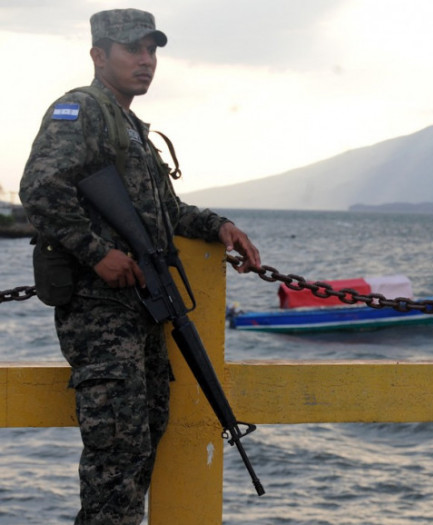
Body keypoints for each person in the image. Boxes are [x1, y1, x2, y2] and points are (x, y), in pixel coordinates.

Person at [19, 9, 261, 525]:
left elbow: (166, 212)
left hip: (142, 311)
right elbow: (39, 190)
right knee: (115, 458)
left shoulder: (130, 127)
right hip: (101, 314)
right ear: (98, 56)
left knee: (142, 443)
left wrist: (219, 226)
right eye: (133, 49)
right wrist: (95, 252)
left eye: (152, 50)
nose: (146, 61)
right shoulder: (80, 110)